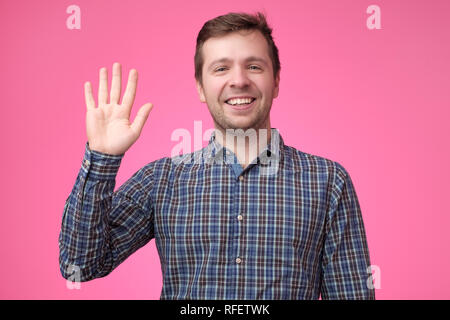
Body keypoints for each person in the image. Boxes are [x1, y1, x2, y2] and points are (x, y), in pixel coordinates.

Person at [59, 11, 375, 300]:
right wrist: (102, 158)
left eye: (254, 66)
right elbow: (80, 265)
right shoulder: (162, 180)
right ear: (200, 87)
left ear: (276, 80)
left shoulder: (328, 181)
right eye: (221, 68)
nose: (238, 80)